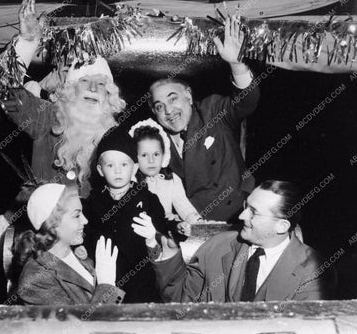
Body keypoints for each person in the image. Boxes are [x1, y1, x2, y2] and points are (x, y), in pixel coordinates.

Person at [3, 0, 126, 197]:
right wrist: (27, 42)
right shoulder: (47, 116)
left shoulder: (114, 135)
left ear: (109, 95)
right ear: (70, 89)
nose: (93, 89)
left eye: (101, 84)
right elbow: (8, 94)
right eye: (85, 81)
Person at [147, 180, 336, 303]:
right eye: (246, 206)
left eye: (254, 212)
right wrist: (170, 256)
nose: (242, 215)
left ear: (281, 226)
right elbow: (182, 304)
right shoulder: (216, 247)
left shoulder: (313, 271)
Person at [148, 17, 260, 222]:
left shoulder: (211, 111)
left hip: (237, 215)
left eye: (173, 99)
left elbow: (246, 102)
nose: (168, 111)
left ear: (189, 97)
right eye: (159, 107)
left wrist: (236, 64)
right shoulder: (156, 139)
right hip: (191, 221)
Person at [83, 128, 170, 303]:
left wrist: (153, 238)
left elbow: (163, 238)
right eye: (110, 165)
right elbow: (86, 235)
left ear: (135, 167)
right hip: (104, 279)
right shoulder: (93, 203)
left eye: (124, 165)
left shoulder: (148, 200)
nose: (117, 171)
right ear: (100, 170)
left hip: (142, 282)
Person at [12, 183, 125, 305]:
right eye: (76, 215)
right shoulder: (35, 280)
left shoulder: (79, 253)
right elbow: (78, 323)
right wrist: (106, 285)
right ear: (52, 225)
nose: (85, 221)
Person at [129, 118, 202, 237]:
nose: (151, 160)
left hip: (165, 233)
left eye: (156, 154)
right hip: (139, 234)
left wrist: (195, 222)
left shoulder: (171, 179)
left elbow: (185, 207)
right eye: (144, 155)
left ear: (164, 154)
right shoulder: (132, 182)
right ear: (134, 157)